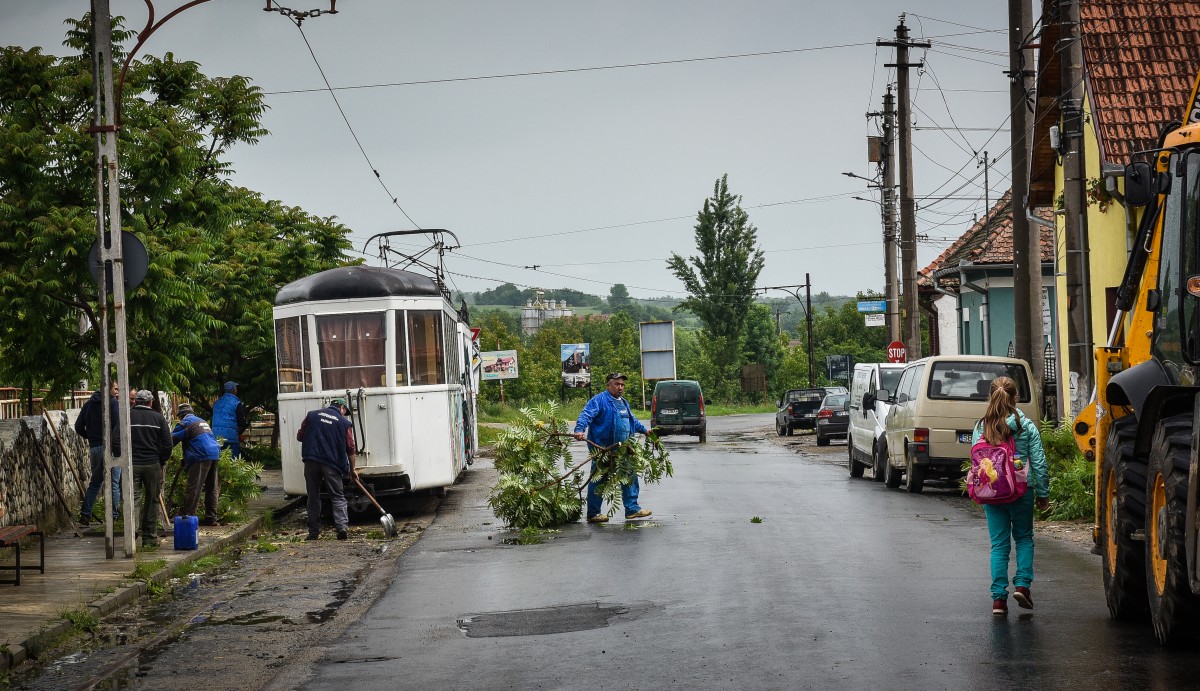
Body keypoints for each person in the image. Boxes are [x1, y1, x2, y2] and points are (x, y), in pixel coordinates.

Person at [971, 376, 1050, 617]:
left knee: (999, 545)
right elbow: (1039, 462)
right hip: (1021, 491)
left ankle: (998, 600)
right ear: (1016, 397)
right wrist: (1043, 492)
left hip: (992, 492)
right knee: (1024, 538)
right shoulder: (1025, 426)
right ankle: (1023, 586)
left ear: (991, 396)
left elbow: (977, 464)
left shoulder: (981, 427)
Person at [573, 372, 652, 523]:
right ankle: (593, 514)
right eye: (617, 384)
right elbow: (586, 415)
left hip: (622, 450)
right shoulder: (599, 400)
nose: (620, 387)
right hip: (603, 449)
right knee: (598, 479)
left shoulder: (623, 402)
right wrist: (579, 429)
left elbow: (632, 421)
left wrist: (645, 430)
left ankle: (632, 509)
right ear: (608, 385)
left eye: (622, 384)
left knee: (629, 476)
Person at [296, 398, 358, 541]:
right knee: (337, 496)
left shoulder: (312, 415)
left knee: (313, 496)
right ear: (341, 408)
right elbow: (351, 448)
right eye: (345, 411)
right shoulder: (344, 423)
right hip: (331, 464)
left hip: (311, 461)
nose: (344, 415)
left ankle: (313, 533)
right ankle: (342, 527)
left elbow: (300, 436)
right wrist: (352, 470)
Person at [74, 380, 122, 525]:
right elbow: (117, 425)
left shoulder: (89, 404)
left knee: (95, 481)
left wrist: (90, 436)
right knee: (114, 482)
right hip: (110, 447)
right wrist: (116, 444)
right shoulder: (113, 403)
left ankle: (85, 514)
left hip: (95, 447)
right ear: (108, 389)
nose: (117, 392)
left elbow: (78, 426)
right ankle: (113, 516)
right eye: (115, 389)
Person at [129, 390, 172, 547]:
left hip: (132, 464)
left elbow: (116, 439)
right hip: (152, 464)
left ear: (136, 401)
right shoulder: (158, 418)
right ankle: (149, 539)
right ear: (150, 402)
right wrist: (160, 460)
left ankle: (131, 533)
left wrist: (124, 458)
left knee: (133, 499)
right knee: (152, 500)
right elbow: (168, 444)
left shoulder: (127, 417)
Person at [172, 403, 223, 527]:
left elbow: (171, 440)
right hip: (214, 454)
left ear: (181, 416)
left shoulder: (184, 423)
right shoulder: (201, 421)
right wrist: (187, 459)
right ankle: (211, 518)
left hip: (201, 455)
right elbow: (199, 439)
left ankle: (188, 518)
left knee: (194, 488)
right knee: (211, 488)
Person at [212, 381, 249, 459]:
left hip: (216, 437)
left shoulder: (216, 402)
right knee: (233, 462)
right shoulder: (236, 403)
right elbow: (241, 422)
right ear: (234, 390)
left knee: (220, 462)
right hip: (231, 438)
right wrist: (238, 433)